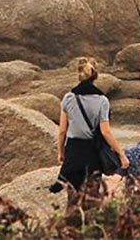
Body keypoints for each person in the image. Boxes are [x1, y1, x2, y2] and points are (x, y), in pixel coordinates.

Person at [50, 56, 129, 197]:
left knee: (73, 196)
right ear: (95, 76)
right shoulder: (102, 100)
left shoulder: (68, 98)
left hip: (74, 150)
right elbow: (105, 132)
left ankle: (73, 217)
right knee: (92, 195)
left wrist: (61, 152)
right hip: (93, 151)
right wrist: (121, 154)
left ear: (79, 75)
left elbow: (62, 130)